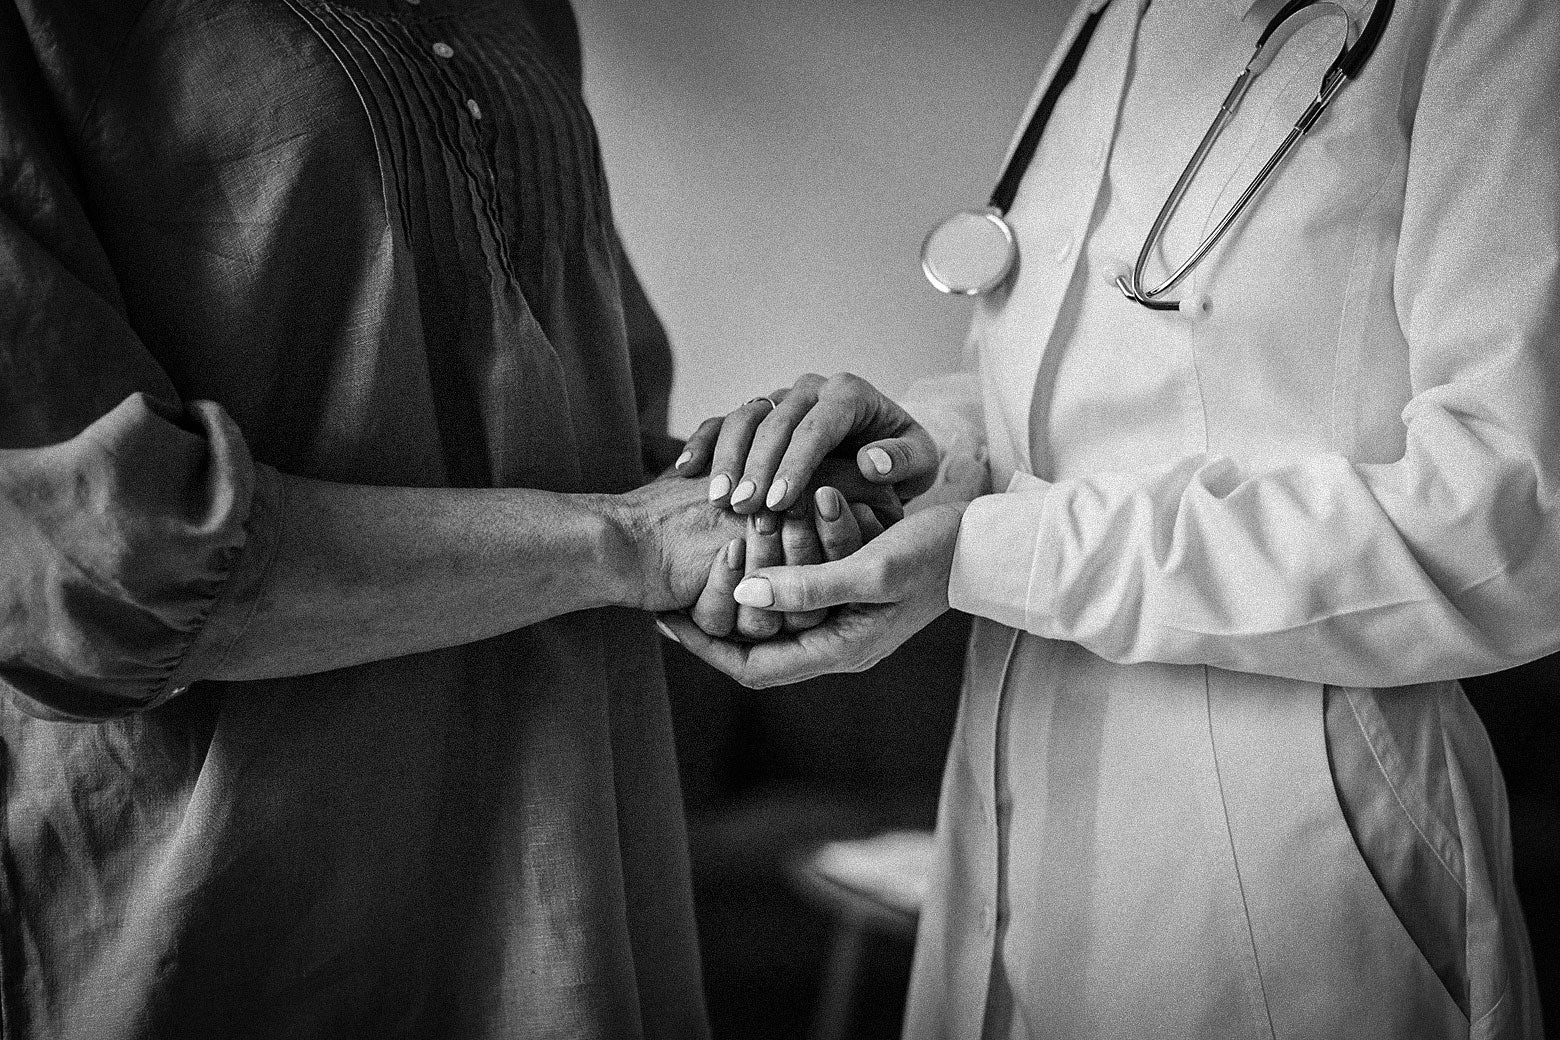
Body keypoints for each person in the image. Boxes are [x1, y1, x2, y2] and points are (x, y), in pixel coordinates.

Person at [0, 1, 900, 1035]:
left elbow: (584, 434)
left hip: (572, 883)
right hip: (237, 903)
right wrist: (632, 540)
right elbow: (90, 550)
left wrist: (770, 490)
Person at [661, 0, 1559, 1035]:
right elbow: (1069, 406)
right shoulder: (1111, 16)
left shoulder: (1486, 21)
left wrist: (1000, 549)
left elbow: (1515, 517)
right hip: (1007, 808)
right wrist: (903, 461)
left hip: (1292, 854)